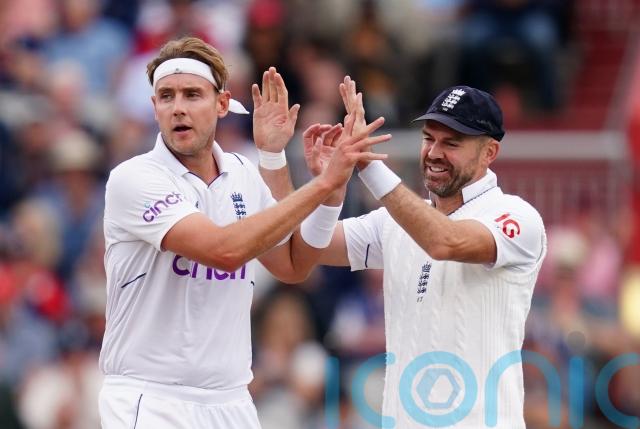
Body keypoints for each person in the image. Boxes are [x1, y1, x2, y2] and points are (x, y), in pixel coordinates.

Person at [97, 36, 390, 428]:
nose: (178, 107)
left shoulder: (242, 173)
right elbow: (224, 251)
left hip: (231, 399)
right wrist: (321, 186)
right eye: (166, 96)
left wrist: (327, 190)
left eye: (192, 94)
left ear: (222, 104)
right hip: (152, 399)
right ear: (154, 107)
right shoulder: (134, 177)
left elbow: (293, 265)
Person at [270, 78, 547, 428]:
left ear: (489, 153)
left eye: (451, 143)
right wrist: (293, 168)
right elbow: (298, 245)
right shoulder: (394, 222)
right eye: (429, 138)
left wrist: (366, 163)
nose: (434, 152)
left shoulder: (517, 216)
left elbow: (444, 242)